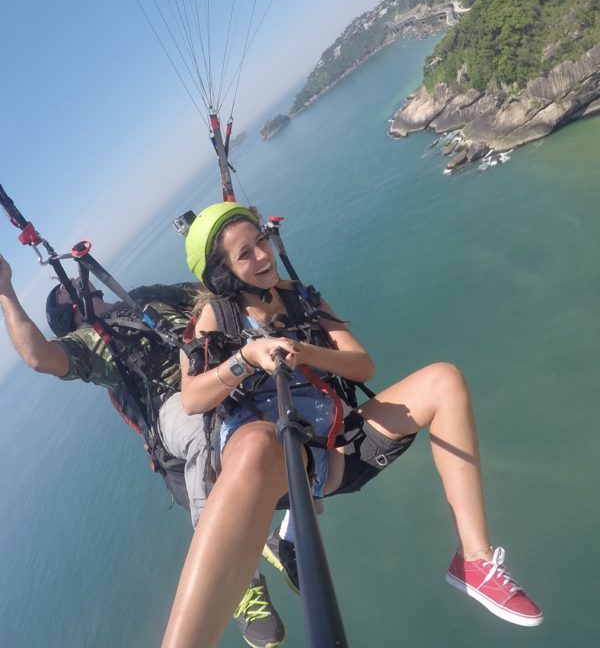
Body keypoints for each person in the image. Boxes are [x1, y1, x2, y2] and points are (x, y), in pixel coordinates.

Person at [160, 202, 544, 648]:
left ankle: (474, 561)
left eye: (261, 241)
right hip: (271, 459)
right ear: (224, 274)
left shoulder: (301, 297)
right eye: (245, 254)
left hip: (333, 444)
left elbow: (362, 365)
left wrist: (305, 352)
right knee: (258, 444)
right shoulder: (214, 319)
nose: (263, 256)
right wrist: (246, 358)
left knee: (444, 380)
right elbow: (193, 397)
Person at [0, 252, 286, 648]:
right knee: (208, 436)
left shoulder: (145, 298)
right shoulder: (91, 345)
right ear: (73, 318)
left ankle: (282, 536)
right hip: (174, 404)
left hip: (219, 375)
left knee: (291, 409)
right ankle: (237, 585)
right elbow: (39, 357)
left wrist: (232, 251)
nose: (85, 288)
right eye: (73, 294)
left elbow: (212, 294)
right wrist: (5, 290)